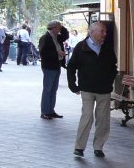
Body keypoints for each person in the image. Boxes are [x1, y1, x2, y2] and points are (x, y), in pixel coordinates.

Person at [66, 22, 118, 157]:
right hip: (87, 88)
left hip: (104, 89)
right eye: (102, 31)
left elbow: (113, 66)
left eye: (105, 31)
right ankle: (79, 147)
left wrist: (109, 79)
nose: (105, 34)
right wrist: (73, 85)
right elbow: (71, 67)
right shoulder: (81, 47)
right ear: (92, 32)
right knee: (87, 116)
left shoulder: (106, 47)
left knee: (103, 120)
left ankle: (98, 147)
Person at [38, 21, 68, 119]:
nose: (60, 30)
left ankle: (51, 111)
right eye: (58, 28)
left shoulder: (57, 37)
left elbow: (66, 35)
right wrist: (57, 54)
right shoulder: (45, 38)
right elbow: (43, 53)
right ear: (54, 28)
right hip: (49, 66)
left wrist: (61, 26)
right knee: (48, 89)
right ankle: (45, 111)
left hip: (57, 65)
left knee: (53, 90)